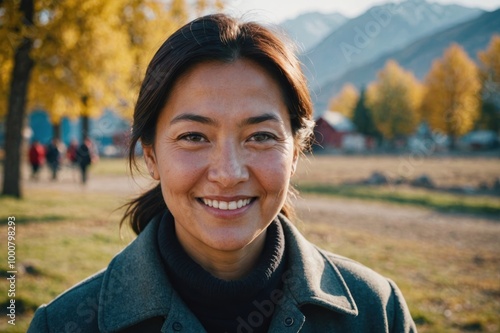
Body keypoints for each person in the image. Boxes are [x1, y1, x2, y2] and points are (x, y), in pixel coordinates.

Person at [28, 14, 416, 332]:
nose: (228, 173)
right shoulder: (66, 324)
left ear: (295, 151)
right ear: (151, 155)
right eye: (194, 136)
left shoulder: (377, 312)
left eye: (260, 136)